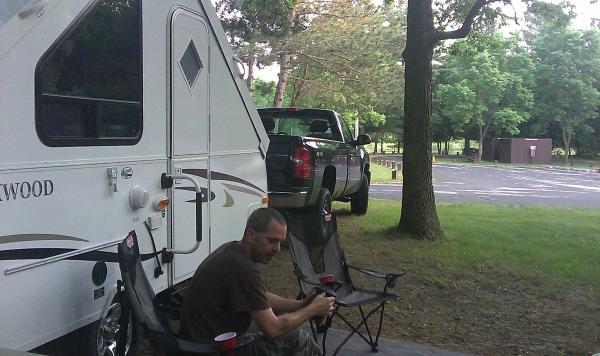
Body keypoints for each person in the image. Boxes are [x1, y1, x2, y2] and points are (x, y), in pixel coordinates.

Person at [180, 208, 335, 355]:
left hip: (203, 338)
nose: (278, 249)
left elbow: (257, 296)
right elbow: (273, 328)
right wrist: (312, 310)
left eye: (280, 242)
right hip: (213, 349)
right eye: (272, 241)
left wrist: (300, 305)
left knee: (271, 324)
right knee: (299, 340)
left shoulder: (232, 250)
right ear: (251, 235)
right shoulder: (242, 268)